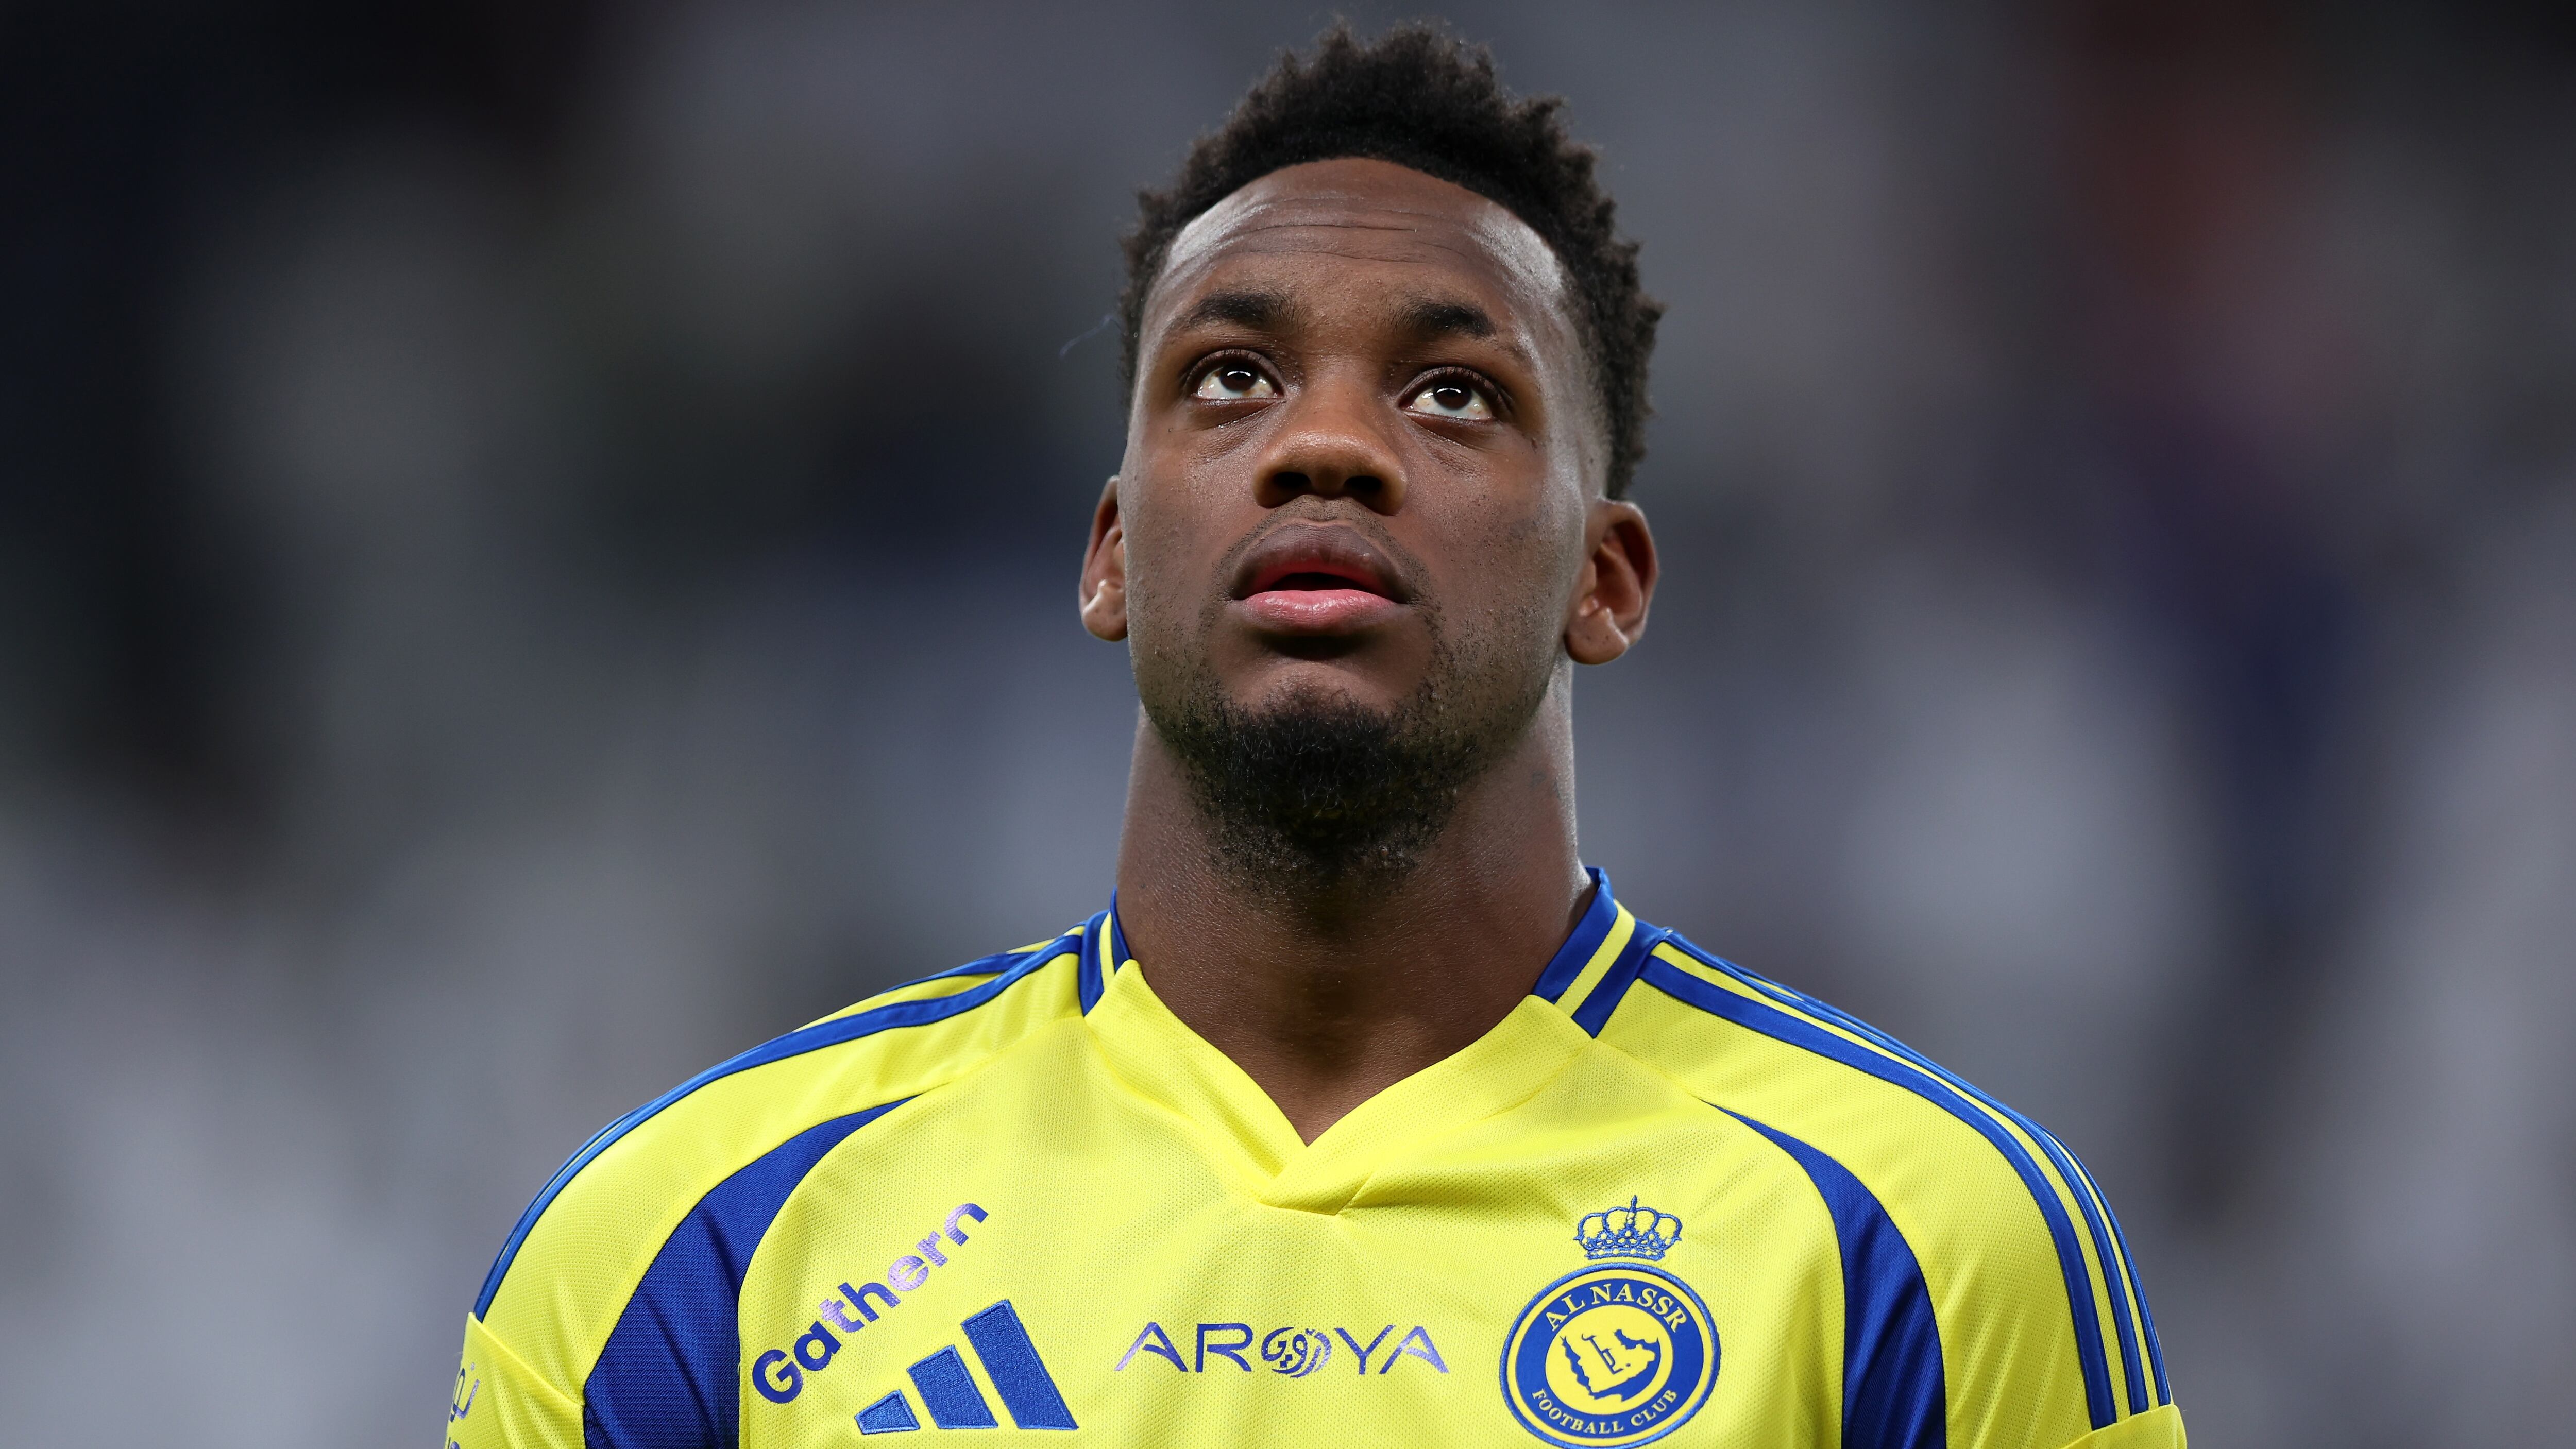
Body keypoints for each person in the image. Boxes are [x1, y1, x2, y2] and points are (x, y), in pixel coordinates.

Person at [447, 25, 2183, 1449]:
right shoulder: (684, 1263)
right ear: (1111, 553)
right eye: (1231, 378)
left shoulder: (1926, 1253)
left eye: (1453, 394)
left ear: (1607, 580)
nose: (1326, 446)